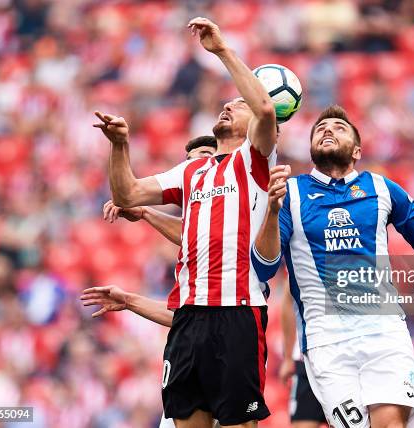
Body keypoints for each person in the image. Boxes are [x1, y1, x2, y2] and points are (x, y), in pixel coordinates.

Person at [251, 105, 414, 428]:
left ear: (357, 150)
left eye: (339, 127)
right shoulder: (290, 194)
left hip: (383, 332)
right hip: (326, 342)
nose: (327, 130)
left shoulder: (381, 189)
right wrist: (270, 211)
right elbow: (264, 267)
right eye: (320, 129)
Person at [91, 17, 277, 428]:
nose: (228, 105)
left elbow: (264, 107)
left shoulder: (255, 161)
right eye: (227, 103)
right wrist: (120, 146)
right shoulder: (192, 172)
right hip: (189, 316)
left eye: (238, 105)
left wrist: (221, 51)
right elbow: (128, 195)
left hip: (237, 311)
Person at [82, 135, 219, 428]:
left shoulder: (239, 211)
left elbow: (201, 233)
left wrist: (144, 211)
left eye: (208, 154)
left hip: (233, 345)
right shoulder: (191, 261)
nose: (199, 163)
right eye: (192, 159)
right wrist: (129, 300)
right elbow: (184, 318)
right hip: (192, 349)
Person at [278, 284, 326, 428]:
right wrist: (287, 358)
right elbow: (288, 297)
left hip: (345, 354)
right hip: (308, 357)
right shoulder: (303, 262)